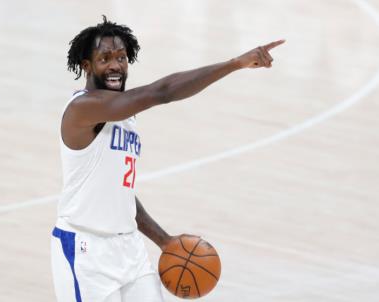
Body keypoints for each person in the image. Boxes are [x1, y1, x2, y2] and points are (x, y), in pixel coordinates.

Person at [51, 15, 284, 302]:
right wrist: (235, 63)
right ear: (87, 66)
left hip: (129, 248)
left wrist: (164, 240)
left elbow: (119, 194)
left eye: (122, 57)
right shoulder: (81, 109)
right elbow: (161, 93)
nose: (115, 65)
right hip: (86, 250)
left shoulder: (125, 118)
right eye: (105, 58)